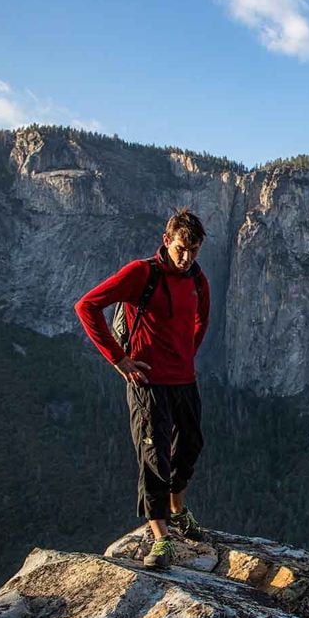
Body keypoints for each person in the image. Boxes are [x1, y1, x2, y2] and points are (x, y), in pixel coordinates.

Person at [74, 208, 211, 570]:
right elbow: (87, 306)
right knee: (154, 457)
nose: (187, 258)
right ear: (166, 241)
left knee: (191, 445)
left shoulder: (198, 280)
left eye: (194, 251)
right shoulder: (141, 274)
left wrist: (184, 355)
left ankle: (177, 509)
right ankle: (161, 537)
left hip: (184, 380)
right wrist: (118, 359)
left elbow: (201, 319)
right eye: (182, 249)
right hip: (147, 382)